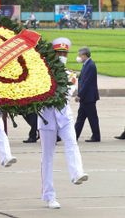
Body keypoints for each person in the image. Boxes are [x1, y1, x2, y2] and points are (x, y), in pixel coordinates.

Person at [38, 37, 88, 209]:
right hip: (47, 119)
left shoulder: (71, 76)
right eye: (59, 53)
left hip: (65, 117)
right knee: (47, 157)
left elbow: (68, 93)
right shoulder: (42, 75)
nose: (62, 56)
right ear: (53, 54)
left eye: (64, 53)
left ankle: (77, 173)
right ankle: (49, 195)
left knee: (72, 143)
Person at [74, 47, 101, 142]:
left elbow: (86, 83)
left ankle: (96, 136)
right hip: (86, 97)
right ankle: (74, 136)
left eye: (80, 55)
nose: (78, 57)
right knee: (81, 118)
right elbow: (83, 79)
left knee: (91, 118)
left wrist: (79, 95)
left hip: (88, 97)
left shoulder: (90, 65)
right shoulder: (87, 64)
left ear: (85, 55)